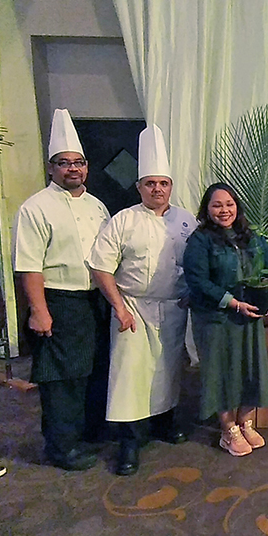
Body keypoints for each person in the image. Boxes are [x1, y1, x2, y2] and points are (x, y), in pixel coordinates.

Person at [87, 125, 196, 475]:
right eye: (150, 184)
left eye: (163, 183)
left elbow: (199, 262)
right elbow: (100, 266)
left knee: (167, 371)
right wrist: (118, 307)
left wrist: (192, 295)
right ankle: (129, 444)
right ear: (139, 188)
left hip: (174, 307)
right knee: (129, 376)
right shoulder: (124, 220)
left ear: (170, 187)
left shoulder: (185, 221)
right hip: (132, 307)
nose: (157, 189)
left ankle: (164, 424)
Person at [13, 108, 110, 470]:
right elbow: (28, 265)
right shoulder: (35, 208)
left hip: (94, 300)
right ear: (51, 167)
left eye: (79, 162)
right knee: (62, 379)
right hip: (58, 299)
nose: (73, 168)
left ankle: (89, 432)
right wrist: (39, 310)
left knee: (95, 368)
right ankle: (61, 447)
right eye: (64, 163)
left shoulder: (97, 206)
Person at [183, 183, 268, 456]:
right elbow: (198, 281)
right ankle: (228, 430)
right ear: (207, 209)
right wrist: (233, 302)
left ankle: (245, 422)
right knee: (220, 373)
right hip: (216, 317)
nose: (224, 210)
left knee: (251, 367)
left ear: (237, 206)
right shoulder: (200, 240)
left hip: (249, 316)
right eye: (217, 205)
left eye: (229, 204)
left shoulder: (251, 237)